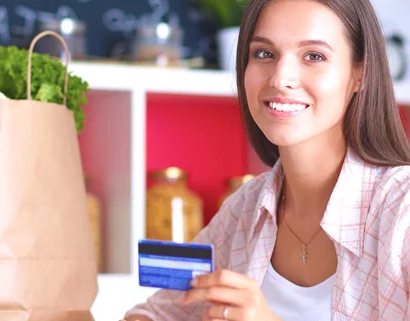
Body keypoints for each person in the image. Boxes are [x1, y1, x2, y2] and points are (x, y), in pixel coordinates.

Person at [123, 0, 410, 320]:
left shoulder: (402, 211)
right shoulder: (243, 210)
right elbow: (156, 313)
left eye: (313, 56)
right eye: (264, 53)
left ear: (360, 74)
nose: (279, 78)